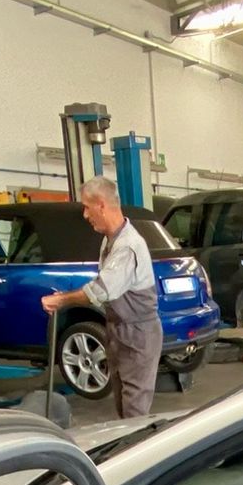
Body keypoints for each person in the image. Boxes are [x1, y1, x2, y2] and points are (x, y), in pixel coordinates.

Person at [39, 177, 160, 419]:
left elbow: (101, 291)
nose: (85, 215)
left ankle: (141, 442)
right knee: (124, 405)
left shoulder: (128, 246)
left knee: (135, 412)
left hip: (137, 334)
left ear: (101, 205)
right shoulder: (109, 240)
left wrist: (62, 300)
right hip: (119, 329)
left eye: (87, 207)